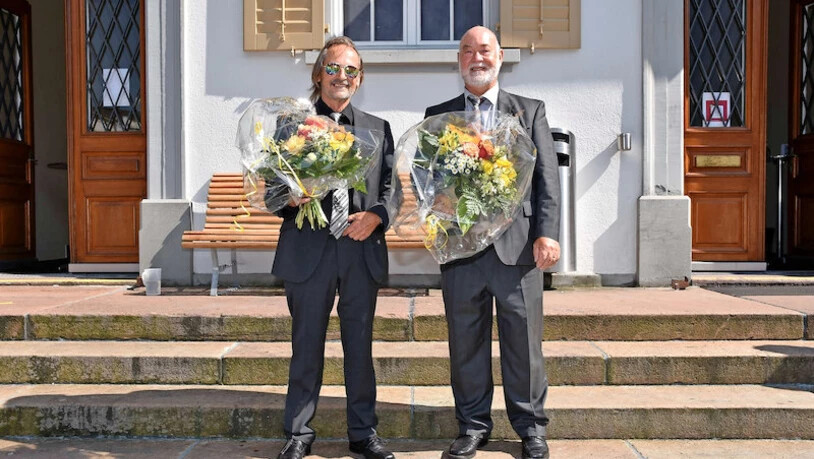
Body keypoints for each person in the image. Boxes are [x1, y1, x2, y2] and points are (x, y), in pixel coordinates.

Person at [424, 26, 561, 459]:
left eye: (484, 50)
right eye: (467, 51)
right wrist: (437, 205)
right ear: (459, 61)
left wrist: (547, 232)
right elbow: (428, 181)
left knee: (523, 342)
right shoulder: (438, 115)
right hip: (461, 250)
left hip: (517, 249)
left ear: (500, 57)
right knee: (465, 342)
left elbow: (547, 179)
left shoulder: (529, 111)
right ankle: (472, 426)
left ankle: (531, 428)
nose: (476, 58)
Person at [272, 36, 396, 459]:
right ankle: (299, 432)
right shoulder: (292, 125)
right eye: (333, 68)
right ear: (318, 74)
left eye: (351, 70)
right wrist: (293, 197)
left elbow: (390, 190)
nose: (342, 76)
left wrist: (376, 216)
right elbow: (271, 192)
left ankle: (363, 433)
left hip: (360, 249)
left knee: (359, 347)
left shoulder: (378, 128)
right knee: (306, 345)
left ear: (359, 79)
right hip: (309, 252)